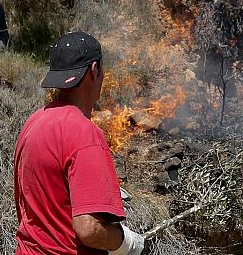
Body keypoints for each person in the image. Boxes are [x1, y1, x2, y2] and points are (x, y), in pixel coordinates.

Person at [14, 31, 145, 255]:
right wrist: (127, 243)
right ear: (94, 70)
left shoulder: (34, 122)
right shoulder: (85, 134)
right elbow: (88, 229)